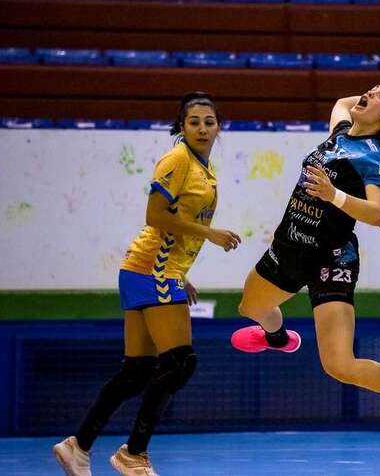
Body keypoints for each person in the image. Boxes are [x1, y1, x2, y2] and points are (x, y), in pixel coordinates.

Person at [231, 85, 380, 455]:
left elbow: (378, 214)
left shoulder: (375, 158)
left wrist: (334, 195)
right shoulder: (341, 132)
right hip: (291, 244)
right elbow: (342, 103)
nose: (369, 94)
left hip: (331, 258)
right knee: (249, 308)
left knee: (339, 365)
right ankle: (278, 338)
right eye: (372, 91)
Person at [53, 92, 241, 476]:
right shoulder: (178, 159)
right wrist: (210, 234)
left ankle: (78, 446)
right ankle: (133, 454)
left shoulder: (204, 169)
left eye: (209, 122)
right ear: (181, 126)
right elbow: (155, 215)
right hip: (152, 271)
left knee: (137, 372)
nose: (202, 128)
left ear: (219, 127)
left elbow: (173, 227)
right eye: (194, 122)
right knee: (180, 363)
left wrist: (181, 273)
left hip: (149, 269)